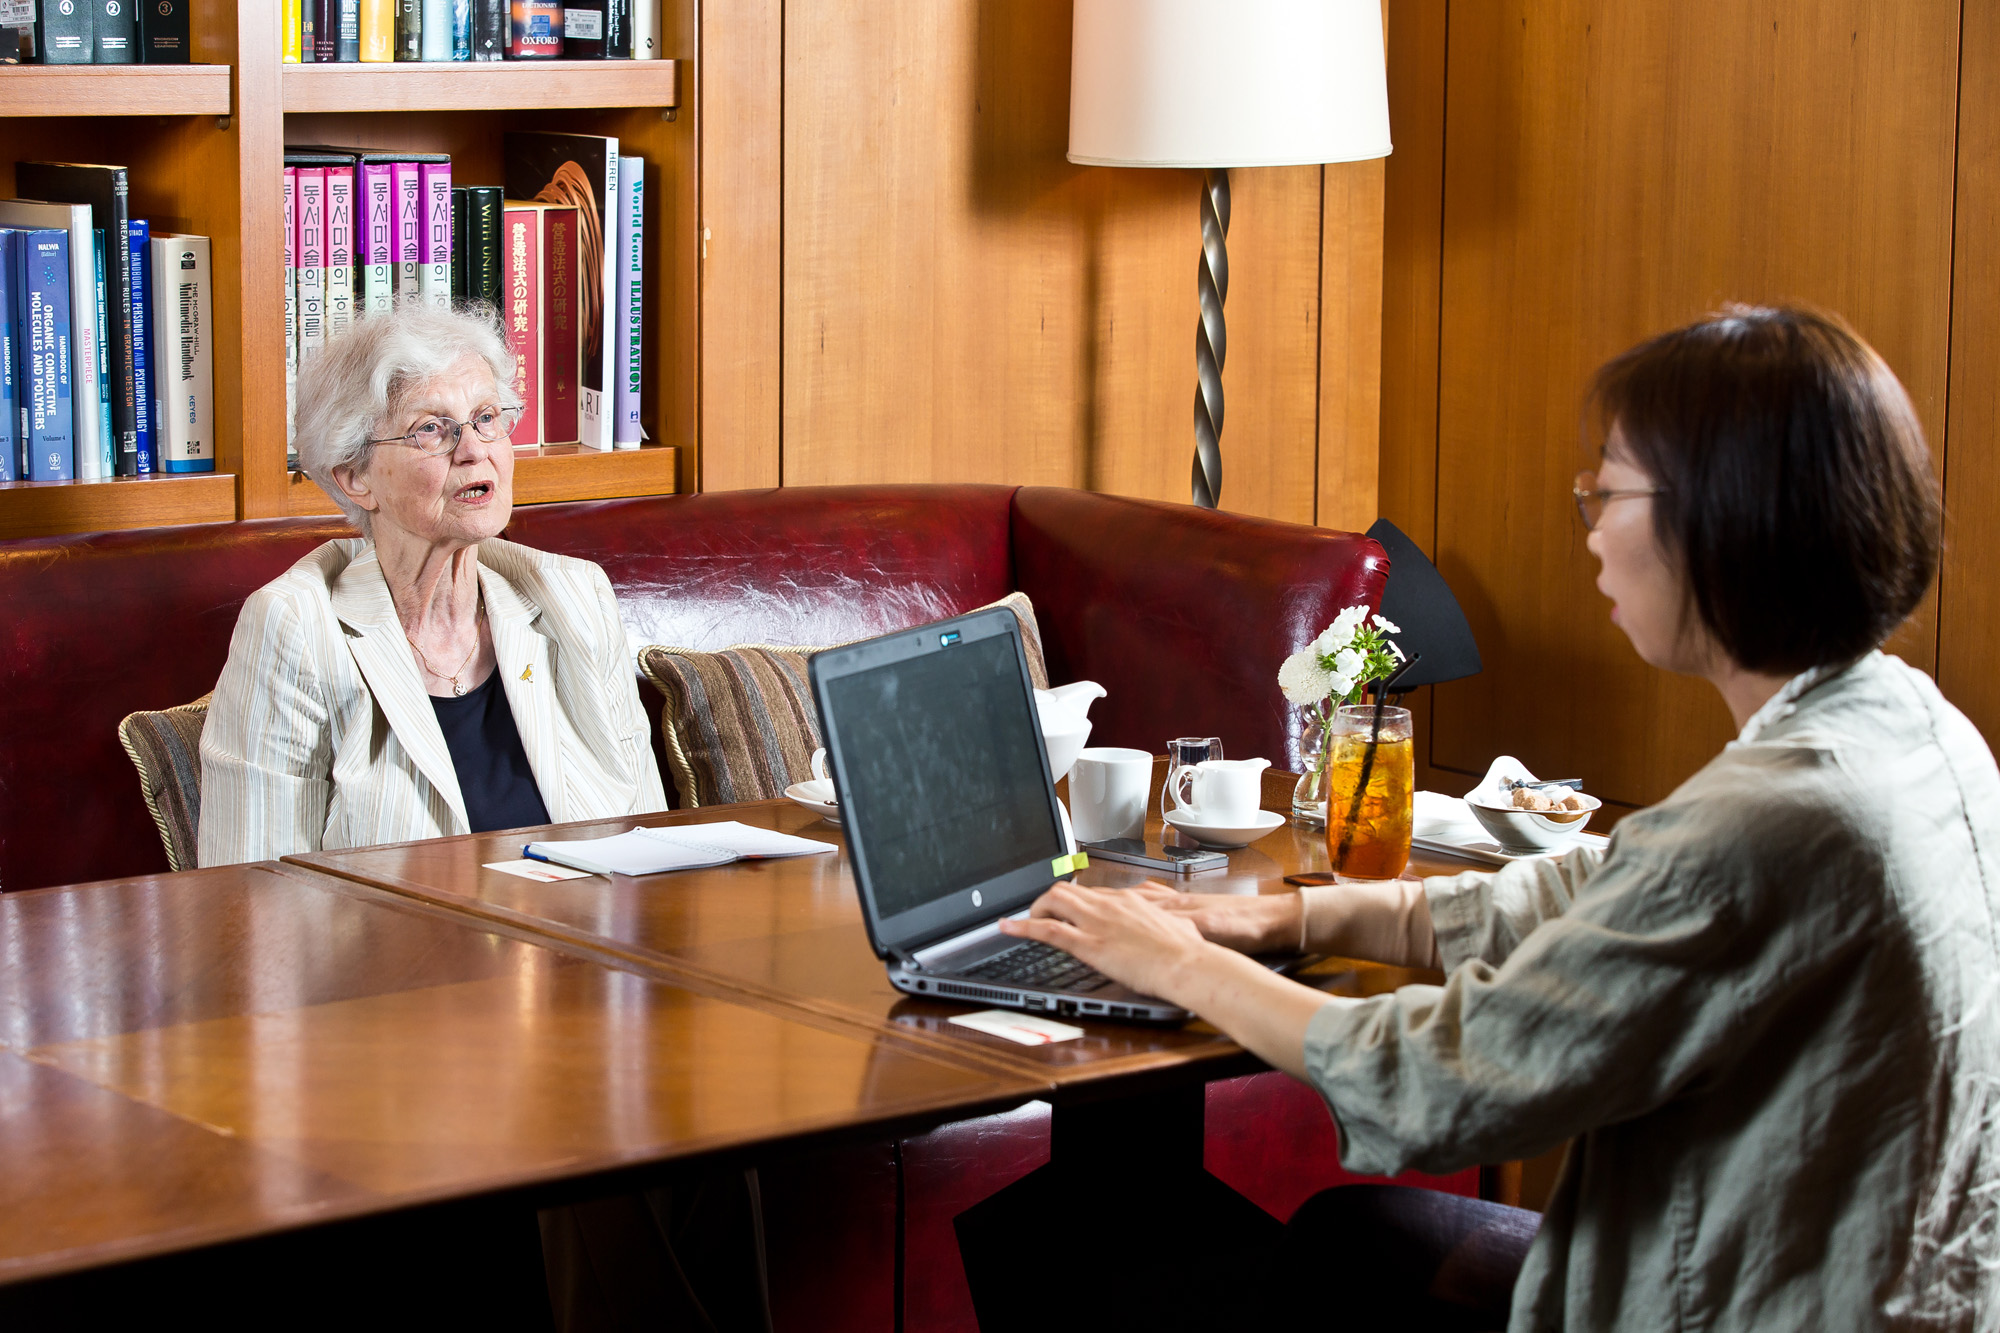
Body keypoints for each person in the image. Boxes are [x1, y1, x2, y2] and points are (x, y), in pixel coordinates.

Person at [1002, 305, 2000, 1329]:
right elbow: (1617, 890)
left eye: (1605, 490)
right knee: (1326, 1243)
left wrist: (1175, 960)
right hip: (1878, 1282)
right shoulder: (1912, 732)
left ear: (1725, 518)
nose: (1589, 526)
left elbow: (1436, 1083)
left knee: (1091, 1248)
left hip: (1735, 1298)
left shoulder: (1772, 821)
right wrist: (1297, 920)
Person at [198, 299, 666, 865]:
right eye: (430, 430)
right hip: (395, 951)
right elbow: (252, 893)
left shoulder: (574, 598)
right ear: (356, 479)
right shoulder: (297, 627)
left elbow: (652, 853)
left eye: (487, 418)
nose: (474, 451)